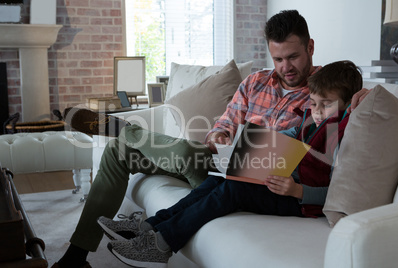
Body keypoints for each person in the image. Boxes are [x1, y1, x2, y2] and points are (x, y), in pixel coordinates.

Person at [52, 10, 363, 268]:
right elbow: (224, 123)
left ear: (310, 46)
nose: (286, 67)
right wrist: (220, 135)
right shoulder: (255, 82)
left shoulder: (326, 91)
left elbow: (356, 104)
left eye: (293, 57)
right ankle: (77, 255)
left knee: (185, 151)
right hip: (224, 161)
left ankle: (122, 128)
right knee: (120, 152)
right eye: (278, 58)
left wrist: (363, 99)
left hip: (263, 177)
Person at [103, 60, 362, 267]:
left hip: (298, 199)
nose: (317, 111)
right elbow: (288, 138)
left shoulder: (340, 135)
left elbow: (337, 191)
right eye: (313, 103)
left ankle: (161, 245)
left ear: (349, 104)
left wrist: (299, 192)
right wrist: (249, 150)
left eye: (326, 105)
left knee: (233, 189)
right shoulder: (312, 121)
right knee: (219, 177)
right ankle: (149, 227)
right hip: (278, 178)